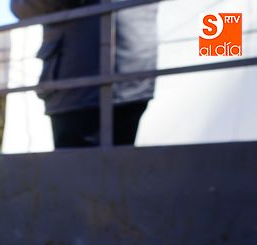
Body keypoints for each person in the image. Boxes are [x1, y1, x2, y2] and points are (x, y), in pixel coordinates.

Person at [10, 0, 158, 147]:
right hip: (118, 72)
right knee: (101, 163)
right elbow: (23, 8)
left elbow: (23, 8)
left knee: (93, 163)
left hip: (89, 77)